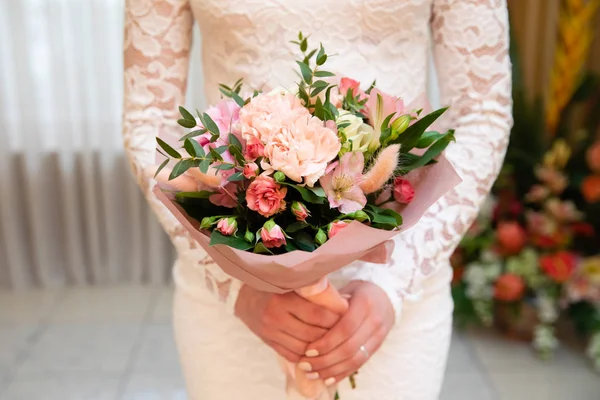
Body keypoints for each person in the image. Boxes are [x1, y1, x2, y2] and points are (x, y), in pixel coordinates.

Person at [122, 0, 512, 398]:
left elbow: (484, 113)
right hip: (235, 279)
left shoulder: (394, 281)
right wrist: (238, 286)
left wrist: (392, 282)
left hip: (392, 282)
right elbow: (147, 120)